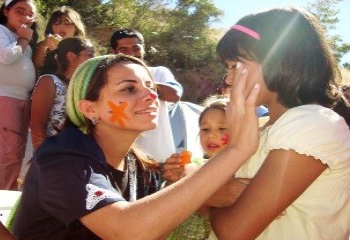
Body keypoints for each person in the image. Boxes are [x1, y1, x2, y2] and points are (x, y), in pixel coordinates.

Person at [11, 54, 261, 239]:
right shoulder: (63, 155)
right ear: (90, 108)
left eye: (150, 87)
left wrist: (184, 179)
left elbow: (154, 227)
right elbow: (126, 231)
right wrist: (236, 149)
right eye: (129, 88)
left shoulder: (141, 166)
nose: (151, 96)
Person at [210, 7, 350, 239]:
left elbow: (233, 231)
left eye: (235, 65)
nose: (228, 78)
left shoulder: (310, 122)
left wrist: (207, 200)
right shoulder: (266, 126)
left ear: (279, 59)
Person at [110, 28, 203, 161]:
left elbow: (175, 94)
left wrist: (136, 86)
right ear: (114, 52)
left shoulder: (159, 72)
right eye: (123, 50)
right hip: (122, 153)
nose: (131, 54)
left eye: (136, 48)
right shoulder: (107, 78)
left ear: (144, 49)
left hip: (159, 157)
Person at [165, 96, 249, 240]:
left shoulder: (246, 170)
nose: (212, 134)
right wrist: (171, 181)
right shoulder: (193, 166)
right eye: (205, 129)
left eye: (222, 128)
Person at [0, 0, 38, 190]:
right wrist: (24, 40)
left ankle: (7, 198)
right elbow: (7, 56)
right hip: (3, 96)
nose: (25, 16)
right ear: (6, 11)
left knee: (16, 154)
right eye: (19, 11)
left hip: (22, 98)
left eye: (29, 13)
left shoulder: (22, 37)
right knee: (8, 154)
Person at [31, 37, 94, 150]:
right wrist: (42, 157)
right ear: (71, 57)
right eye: (90, 55)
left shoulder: (84, 87)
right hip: (54, 155)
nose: (94, 59)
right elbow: (37, 126)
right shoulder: (49, 82)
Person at [33, 6, 86, 71]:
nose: (61, 26)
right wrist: (43, 47)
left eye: (66, 23)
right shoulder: (43, 45)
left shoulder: (84, 49)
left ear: (76, 27)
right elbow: (34, 68)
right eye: (56, 23)